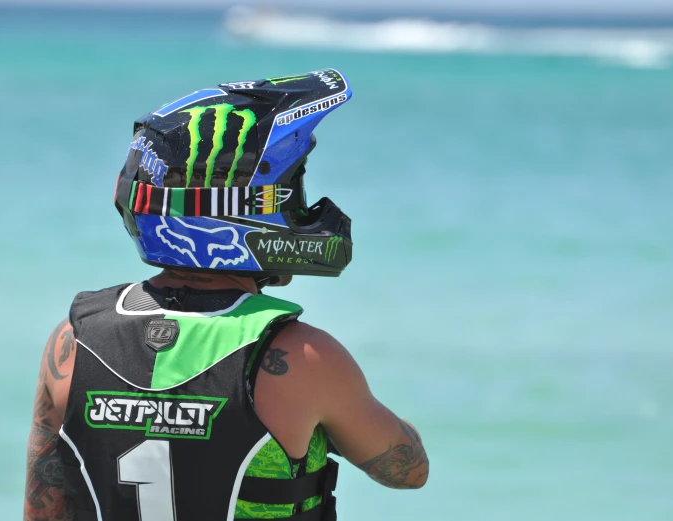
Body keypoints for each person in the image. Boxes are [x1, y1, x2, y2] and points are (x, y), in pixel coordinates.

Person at [24, 69, 428, 521]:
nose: (298, 208)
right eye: (289, 193)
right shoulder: (301, 356)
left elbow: (43, 507)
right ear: (238, 210)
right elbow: (408, 471)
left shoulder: (73, 341)